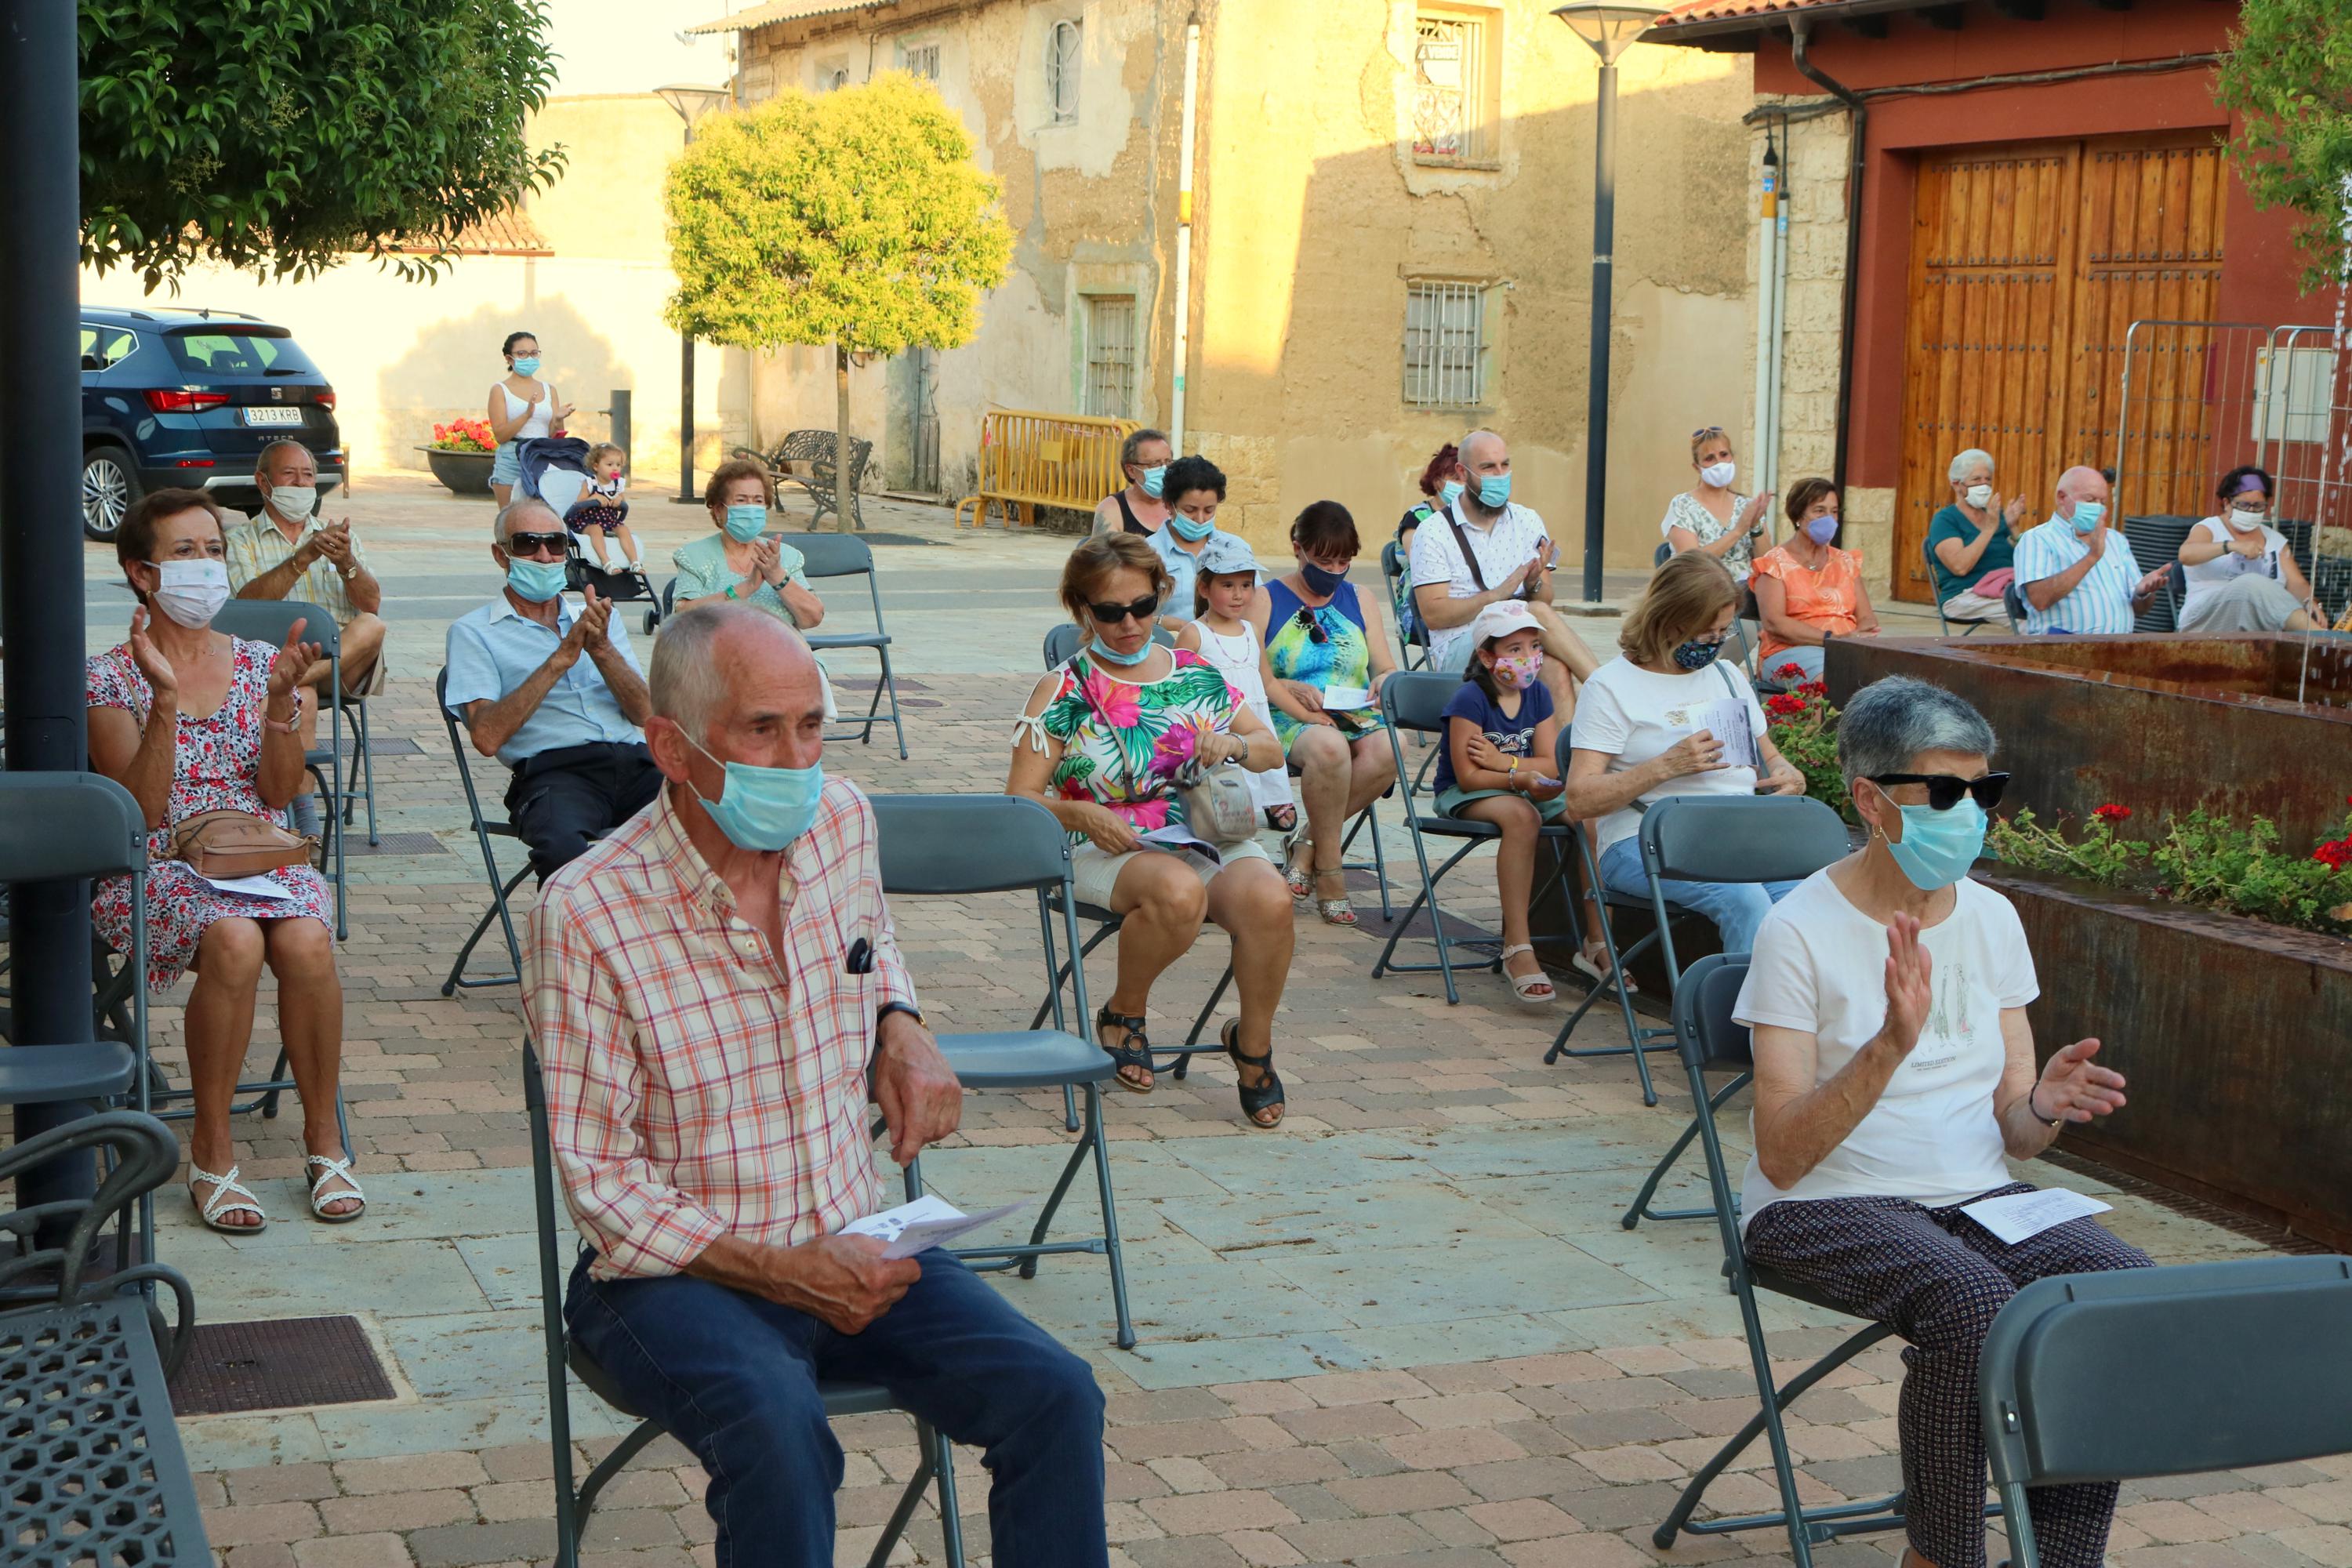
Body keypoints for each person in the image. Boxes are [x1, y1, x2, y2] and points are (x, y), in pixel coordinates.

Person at [531, 604, 1107, 1567]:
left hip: (848, 1234)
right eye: (761, 729)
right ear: (671, 747)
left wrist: (903, 1024)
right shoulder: (587, 910)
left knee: (1057, 1392)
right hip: (677, 1273)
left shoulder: (838, 819)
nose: (797, 759)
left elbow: (871, 951)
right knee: (782, 1434)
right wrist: (777, 1269)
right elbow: (603, 1186)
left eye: (810, 725)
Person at [1737, 674, 2147, 1568]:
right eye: (1946, 790)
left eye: (1984, 790)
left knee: (2116, 1289)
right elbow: (1781, 1152)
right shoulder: (1798, 929)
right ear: (1871, 800)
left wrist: (2041, 1104)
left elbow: (2015, 1134)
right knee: (1971, 1300)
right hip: (1825, 1202)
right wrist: (1890, 1041)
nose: (1970, 811)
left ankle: (2061, 1557)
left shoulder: (1994, 917)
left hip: (1976, 1194)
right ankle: (1940, 1555)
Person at [87, 490, 360, 1233]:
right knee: (236, 938)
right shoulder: (110, 676)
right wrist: (165, 701)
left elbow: (280, 793)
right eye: (185, 553)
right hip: (157, 862)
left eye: (214, 550)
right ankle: (212, 1148)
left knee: (304, 936)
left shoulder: (269, 666)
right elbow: (137, 816)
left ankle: (323, 1140)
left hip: (256, 850)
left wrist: (280, 707)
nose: (206, 567)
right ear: (143, 575)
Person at [1009, 534, 1294, 1127]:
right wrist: (1081, 812)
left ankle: (1252, 1046)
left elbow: (1270, 749)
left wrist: (1235, 743)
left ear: (1162, 594)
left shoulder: (1192, 671)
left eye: (1142, 606)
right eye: (1110, 612)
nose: (1130, 624)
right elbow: (1018, 799)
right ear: (1082, 609)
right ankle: (1124, 1011)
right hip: (1103, 840)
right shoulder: (1065, 688)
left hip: (1200, 826)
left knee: (1270, 896)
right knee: (1176, 891)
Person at [1563, 553, 1810, 958]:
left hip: (1737, 837)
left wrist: (1787, 774)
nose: (1716, 641)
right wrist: (1664, 767)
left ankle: (1797, 1017)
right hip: (1647, 840)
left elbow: (1771, 759)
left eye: (1723, 630)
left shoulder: (1727, 677)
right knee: (1744, 900)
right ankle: (1740, 1019)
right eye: (1706, 631)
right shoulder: (1611, 687)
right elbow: (1580, 799)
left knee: (1810, 900)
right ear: (1668, 620)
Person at [445, 499, 659, 880]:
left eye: (556, 544)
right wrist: (561, 658)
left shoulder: (595, 618)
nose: (544, 556)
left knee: (718, 818)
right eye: (528, 543)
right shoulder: (473, 632)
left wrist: (602, 650)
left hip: (636, 761)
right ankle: (573, 936)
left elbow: (645, 715)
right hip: (557, 774)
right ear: (501, 555)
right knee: (562, 852)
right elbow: (487, 737)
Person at [224, 437, 389, 840]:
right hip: (271, 658)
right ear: (264, 483)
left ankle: (298, 676)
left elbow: (372, 604)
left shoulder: (338, 536)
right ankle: (306, 828)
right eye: (289, 475)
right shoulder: (239, 541)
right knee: (305, 698)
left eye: (308, 476)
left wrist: (347, 563)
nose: (301, 485)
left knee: (371, 625)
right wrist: (302, 559)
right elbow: (245, 607)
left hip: (344, 664)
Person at [1263, 501, 1399, 927]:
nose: (1335, 570)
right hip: (1288, 711)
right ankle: (1332, 873)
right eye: (1324, 561)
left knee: (1392, 749)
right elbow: (1247, 672)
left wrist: (1383, 682)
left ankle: (1306, 846)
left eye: (1344, 561)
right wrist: (1288, 687)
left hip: (1348, 709)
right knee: (1330, 748)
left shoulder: (1360, 598)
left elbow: (1386, 666)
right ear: (1297, 548)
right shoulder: (1266, 598)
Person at [1429, 601, 1573, 1006]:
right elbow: (1469, 776)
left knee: (1587, 813)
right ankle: (1518, 947)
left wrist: (1508, 764)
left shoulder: (1538, 694)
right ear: (1487, 656)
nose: (1528, 658)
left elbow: (1550, 761)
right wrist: (1517, 776)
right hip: (1466, 792)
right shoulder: (1469, 700)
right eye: (1514, 649)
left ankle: (1597, 941)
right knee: (1523, 816)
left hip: (1519, 783)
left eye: (1533, 645)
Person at [1406, 429, 1600, 714]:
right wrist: (1497, 596)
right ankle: (1607, 692)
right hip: (1462, 650)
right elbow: (1434, 617)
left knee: (1555, 666)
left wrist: (1533, 583)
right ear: (1463, 471)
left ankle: (1564, 757)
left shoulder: (1527, 520)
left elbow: (1544, 597)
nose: (1500, 475)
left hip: (1521, 639)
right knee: (1535, 613)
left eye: (1505, 465)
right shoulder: (1433, 531)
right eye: (1488, 467)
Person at [1174, 534, 1300, 835]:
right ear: (1205, 588)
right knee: (1223, 801)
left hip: (1252, 725)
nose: (1238, 595)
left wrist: (1307, 716)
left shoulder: (1252, 630)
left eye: (1246, 585)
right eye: (1227, 586)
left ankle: (1264, 810)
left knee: (1254, 790)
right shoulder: (1195, 634)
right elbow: (1177, 687)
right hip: (1216, 726)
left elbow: (1266, 680)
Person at [1751, 479, 1882, 682]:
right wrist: (1834, 640)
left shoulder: (1846, 561)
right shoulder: (1775, 563)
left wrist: (1860, 635)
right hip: (1790, 651)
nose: (1829, 519)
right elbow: (1775, 623)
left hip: (1846, 649)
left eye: (1834, 511)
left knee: (1892, 678)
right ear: (1798, 515)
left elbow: (1867, 617)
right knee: (1831, 676)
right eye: (1819, 511)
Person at [671, 459, 827, 630]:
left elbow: (813, 618)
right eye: (741, 500)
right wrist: (746, 588)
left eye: (758, 500)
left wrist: (777, 577)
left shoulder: (786, 556)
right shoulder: (694, 556)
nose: (751, 508)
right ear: (718, 510)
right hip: (720, 654)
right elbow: (683, 618)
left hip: (783, 653)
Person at [2013, 466, 2169, 636]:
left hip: (2119, 650)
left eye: (2102, 502)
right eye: (2090, 500)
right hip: (2062, 651)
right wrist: (2092, 557)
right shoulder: (2037, 539)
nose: (2098, 507)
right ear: (2062, 497)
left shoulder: (2116, 540)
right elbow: (2040, 599)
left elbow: (2140, 610)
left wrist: (2144, 592)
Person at [2177, 465, 2322, 633]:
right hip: (2206, 620)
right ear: (2227, 503)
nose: (2251, 511)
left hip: (2261, 627)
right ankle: (2319, 638)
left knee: (2258, 589)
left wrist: (2308, 601)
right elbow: (2186, 555)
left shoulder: (2275, 540)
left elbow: (2297, 583)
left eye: (2258, 506)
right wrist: (2230, 546)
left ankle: (2316, 638)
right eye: (2244, 505)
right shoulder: (2209, 528)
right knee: (2250, 583)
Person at [1147, 454, 1253, 636]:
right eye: (1190, 510)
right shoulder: (1147, 553)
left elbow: (1256, 605)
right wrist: (1162, 622)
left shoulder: (1236, 548)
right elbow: (1126, 614)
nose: (1200, 519)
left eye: (1209, 510)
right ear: (1169, 505)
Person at [1925, 448, 2026, 626]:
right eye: (1976, 480)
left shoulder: (1995, 516)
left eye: (1988, 480)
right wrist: (1988, 530)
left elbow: (2025, 561)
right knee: (2029, 614)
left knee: (2047, 603)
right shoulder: (1945, 520)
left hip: (2006, 587)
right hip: (1964, 596)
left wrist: (2013, 528)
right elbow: (1960, 567)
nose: (1984, 485)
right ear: (1957, 485)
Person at [1661, 426, 1774, 583]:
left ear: (1732, 458)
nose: (1719, 463)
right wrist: (1738, 531)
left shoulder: (1746, 505)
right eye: (1709, 458)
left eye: (1724, 455)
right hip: (1705, 591)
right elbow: (1692, 562)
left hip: (1748, 591)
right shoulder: (1683, 505)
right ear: (1697, 467)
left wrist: (1755, 526)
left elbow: (1767, 563)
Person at [487, 330, 572, 508]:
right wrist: (526, 415)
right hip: (512, 458)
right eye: (522, 354)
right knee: (509, 521)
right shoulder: (500, 390)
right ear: (509, 359)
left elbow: (555, 436)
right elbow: (501, 435)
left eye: (534, 353)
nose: (529, 358)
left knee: (543, 517)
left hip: (541, 456)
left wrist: (558, 419)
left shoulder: (549, 390)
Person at [1391, 442, 1462, 650]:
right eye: (1456, 479)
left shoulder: (1470, 519)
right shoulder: (1417, 518)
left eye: (1467, 479)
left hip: (1465, 605)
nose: (1463, 485)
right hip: (1421, 610)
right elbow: (1422, 561)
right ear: (1438, 482)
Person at [568, 442, 645, 576]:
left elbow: (623, 503)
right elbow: (578, 505)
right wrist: (593, 498)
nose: (615, 468)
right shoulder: (590, 483)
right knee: (596, 530)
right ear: (596, 466)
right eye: (610, 465)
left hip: (609, 521)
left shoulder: (618, 484)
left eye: (618, 465)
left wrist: (619, 501)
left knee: (624, 530)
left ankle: (634, 562)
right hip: (588, 521)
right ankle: (606, 561)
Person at [1092, 427, 1174, 537]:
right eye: (1155, 464)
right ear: (1131, 470)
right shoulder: (1112, 509)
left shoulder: (1182, 503)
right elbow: (1104, 552)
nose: (1164, 469)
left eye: (1168, 462)